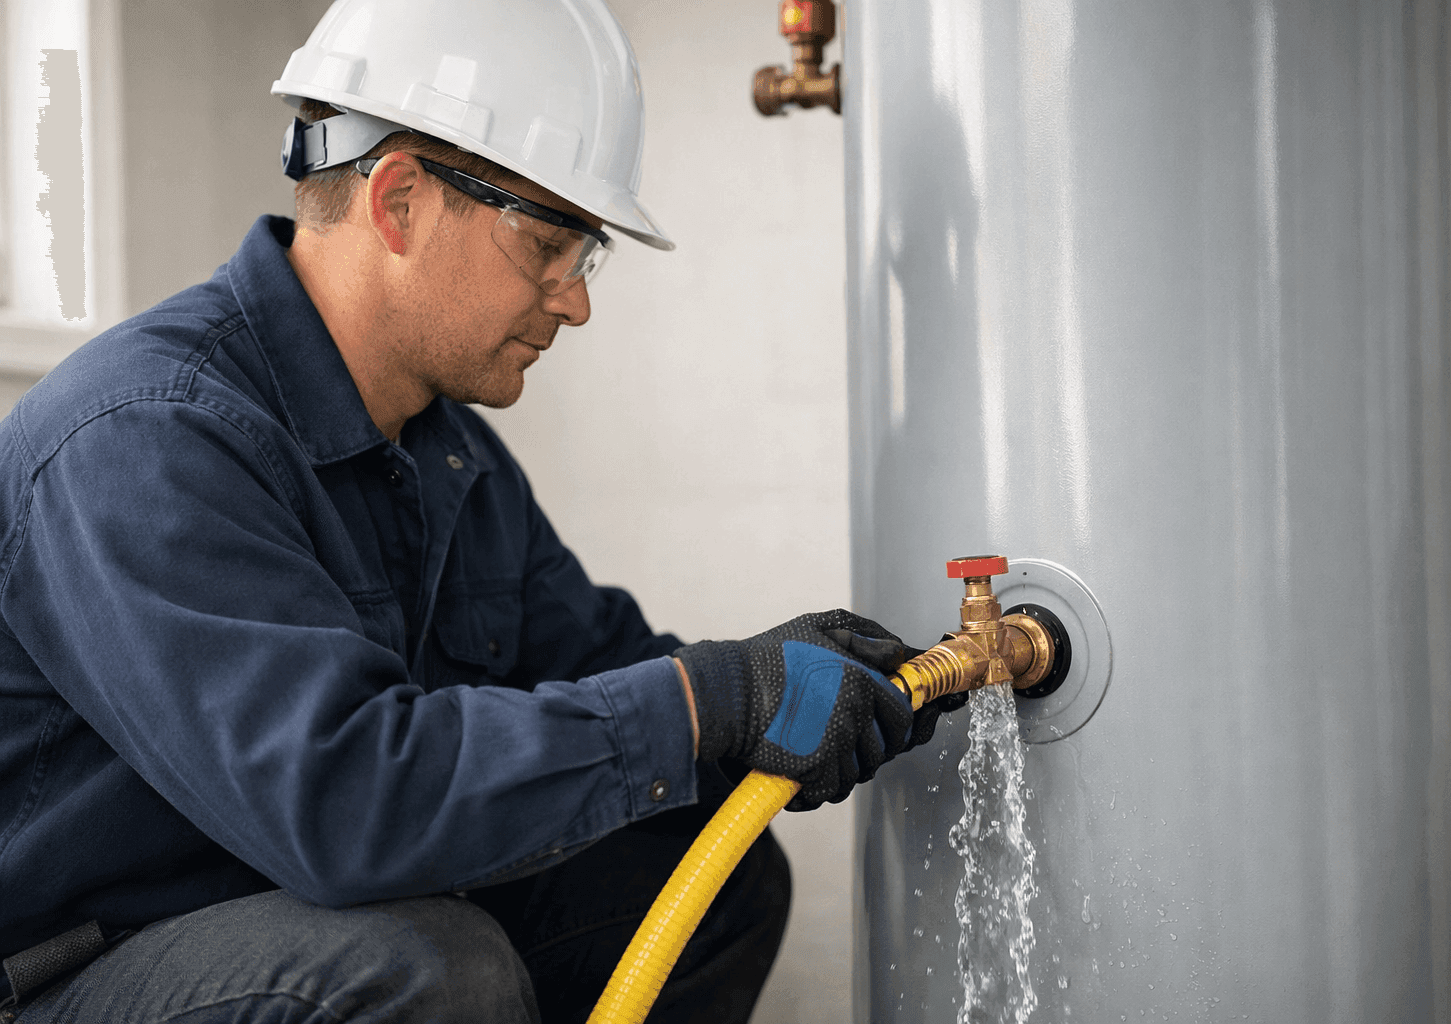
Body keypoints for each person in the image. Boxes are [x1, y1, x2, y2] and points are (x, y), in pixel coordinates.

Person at [0, 1, 963, 1021]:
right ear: (400, 201)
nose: (576, 300)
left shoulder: (440, 447)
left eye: (586, 255)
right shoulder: (147, 439)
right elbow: (345, 800)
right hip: (66, 976)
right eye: (548, 242)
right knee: (428, 966)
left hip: (280, 917)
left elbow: (602, 665)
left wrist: (782, 707)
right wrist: (707, 699)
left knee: (707, 882)